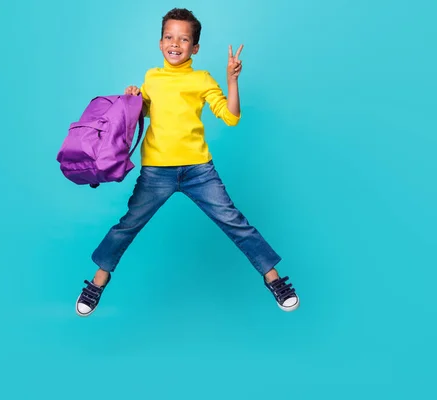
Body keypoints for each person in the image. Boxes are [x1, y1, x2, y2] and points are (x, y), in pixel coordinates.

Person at [75, 8, 299, 317]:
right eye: (169, 37)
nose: (175, 43)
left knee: (234, 222)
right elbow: (145, 114)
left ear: (195, 47)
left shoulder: (201, 79)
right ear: (160, 42)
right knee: (128, 225)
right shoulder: (151, 77)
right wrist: (133, 100)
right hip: (156, 172)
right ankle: (97, 283)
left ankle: (274, 280)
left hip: (198, 171)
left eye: (184, 39)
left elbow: (231, 117)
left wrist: (232, 80)